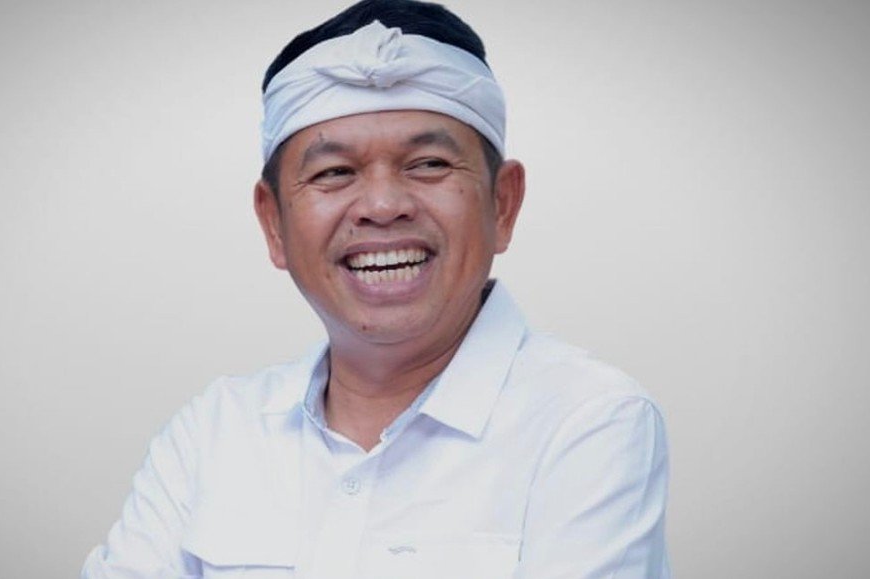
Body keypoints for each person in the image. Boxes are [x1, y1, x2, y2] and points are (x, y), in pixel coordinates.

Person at [81, 0, 671, 577]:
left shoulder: (589, 421)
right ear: (274, 223)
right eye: (334, 172)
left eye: (429, 164)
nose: (384, 206)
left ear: (502, 204)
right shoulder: (213, 431)